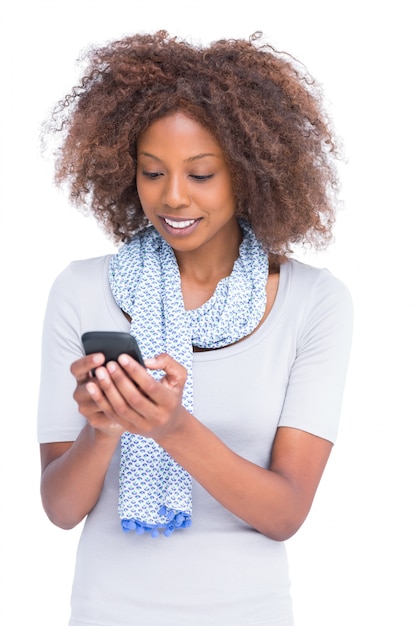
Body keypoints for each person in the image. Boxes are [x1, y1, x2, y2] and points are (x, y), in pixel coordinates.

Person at [37, 30, 353, 626]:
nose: (172, 198)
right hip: (108, 611)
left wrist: (171, 426)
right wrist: (104, 430)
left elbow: (285, 513)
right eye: (152, 172)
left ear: (253, 172)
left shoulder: (315, 303)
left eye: (201, 174)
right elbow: (59, 508)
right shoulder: (80, 290)